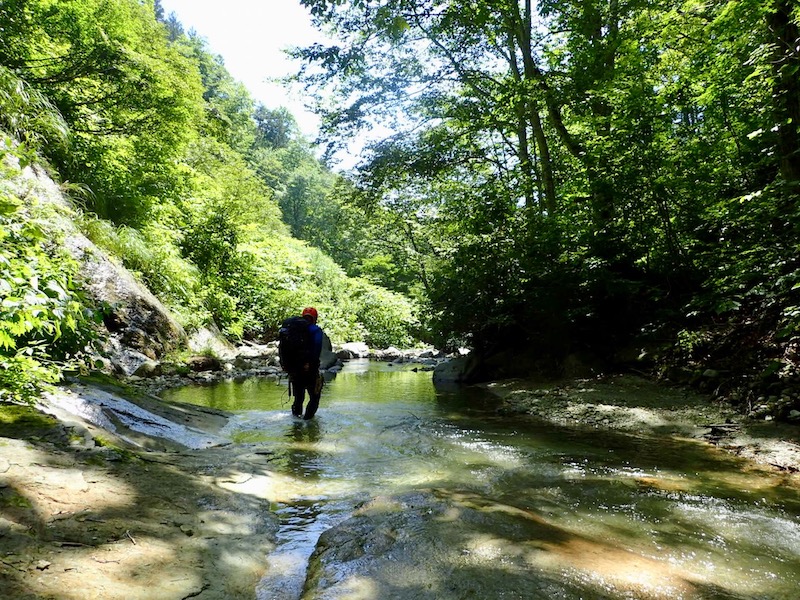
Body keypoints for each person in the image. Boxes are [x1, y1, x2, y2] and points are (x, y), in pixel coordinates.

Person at [287, 306, 324, 420]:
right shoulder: (316, 330)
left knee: (298, 398)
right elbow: (316, 351)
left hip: (294, 370)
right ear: (315, 318)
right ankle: (307, 421)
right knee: (314, 397)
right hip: (310, 370)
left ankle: (296, 424)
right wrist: (309, 364)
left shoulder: (292, 330)